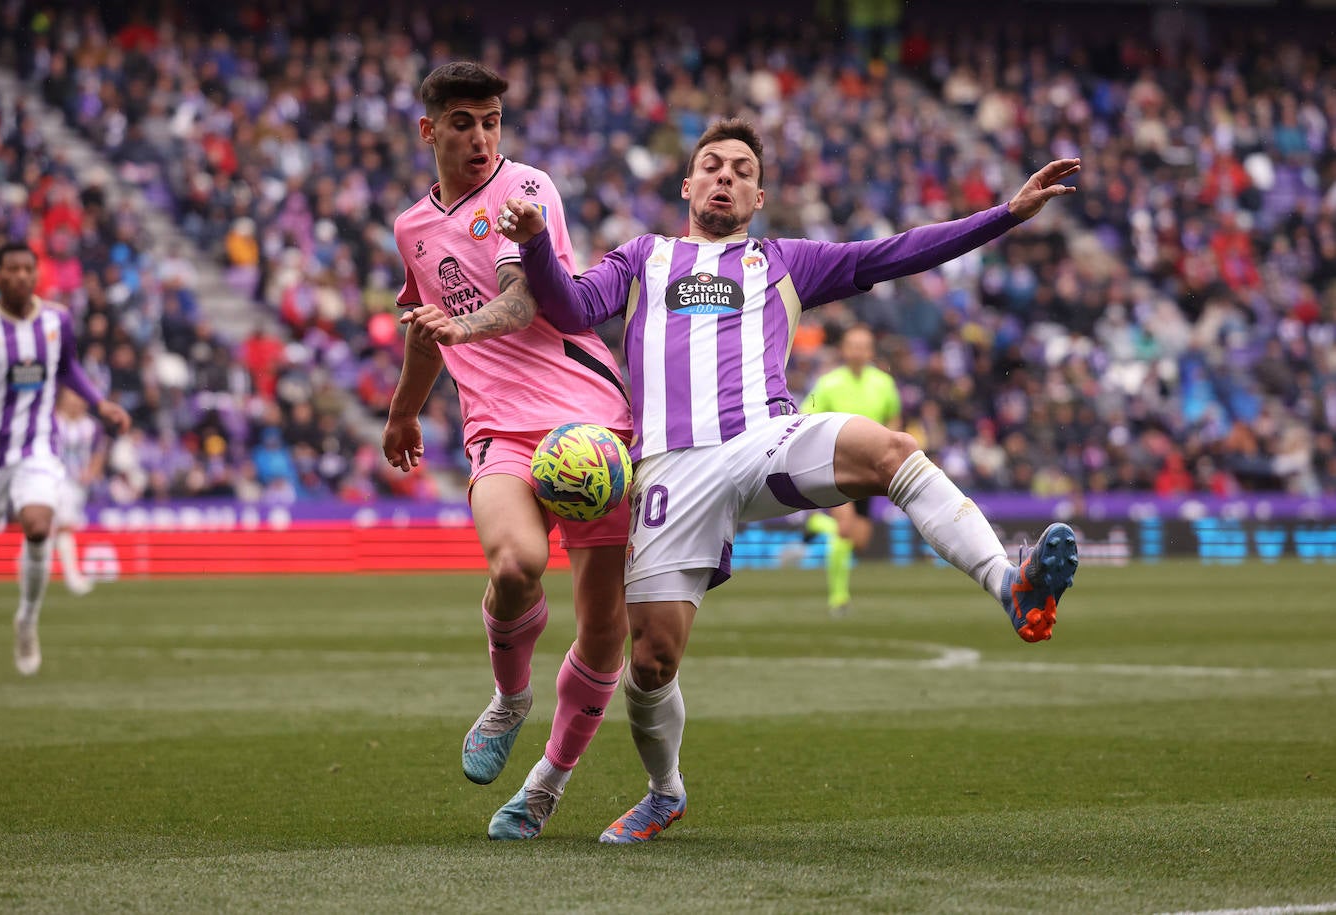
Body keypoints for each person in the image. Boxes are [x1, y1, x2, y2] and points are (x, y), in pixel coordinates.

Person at [490, 118, 1081, 842]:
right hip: (670, 469)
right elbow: (572, 306)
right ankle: (664, 789)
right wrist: (534, 246)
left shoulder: (784, 260)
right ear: (687, 184)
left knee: (891, 449)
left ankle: (1010, 584)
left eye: (741, 168)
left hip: (765, 438)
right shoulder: (645, 256)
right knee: (651, 659)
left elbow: (890, 254)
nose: (725, 176)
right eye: (712, 165)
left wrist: (1004, 215)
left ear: (759, 194)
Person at [380, 61, 632, 840]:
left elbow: (527, 298)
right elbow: (427, 333)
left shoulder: (528, 191)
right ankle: (511, 696)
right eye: (463, 122)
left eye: (491, 120)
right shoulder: (411, 229)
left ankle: (544, 788)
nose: (481, 137)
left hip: (590, 423)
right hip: (499, 427)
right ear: (429, 131)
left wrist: (466, 327)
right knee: (516, 566)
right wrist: (402, 414)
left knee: (602, 629)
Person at [0, 242, 131, 689]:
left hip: (38, 446)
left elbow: (68, 368)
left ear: (36, 274)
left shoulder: (57, 319)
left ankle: (26, 620)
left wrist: (101, 406)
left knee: (39, 526)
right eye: (11, 269)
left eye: (27, 269)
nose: (21, 276)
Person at [798, 324, 901, 617]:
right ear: (844, 349)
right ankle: (838, 599)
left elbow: (893, 419)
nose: (857, 351)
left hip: (870, 470)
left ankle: (816, 526)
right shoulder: (828, 383)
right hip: (837, 465)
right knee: (845, 528)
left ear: (870, 351)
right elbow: (808, 416)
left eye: (863, 345)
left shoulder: (883, 383)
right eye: (852, 345)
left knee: (859, 541)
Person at [54, 388, 106, 596]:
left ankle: (26, 566)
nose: (77, 402)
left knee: (55, 529)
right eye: (72, 397)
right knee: (64, 526)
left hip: (78, 484)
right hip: (54, 479)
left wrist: (92, 472)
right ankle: (72, 577)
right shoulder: (51, 421)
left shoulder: (92, 426)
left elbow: (98, 452)